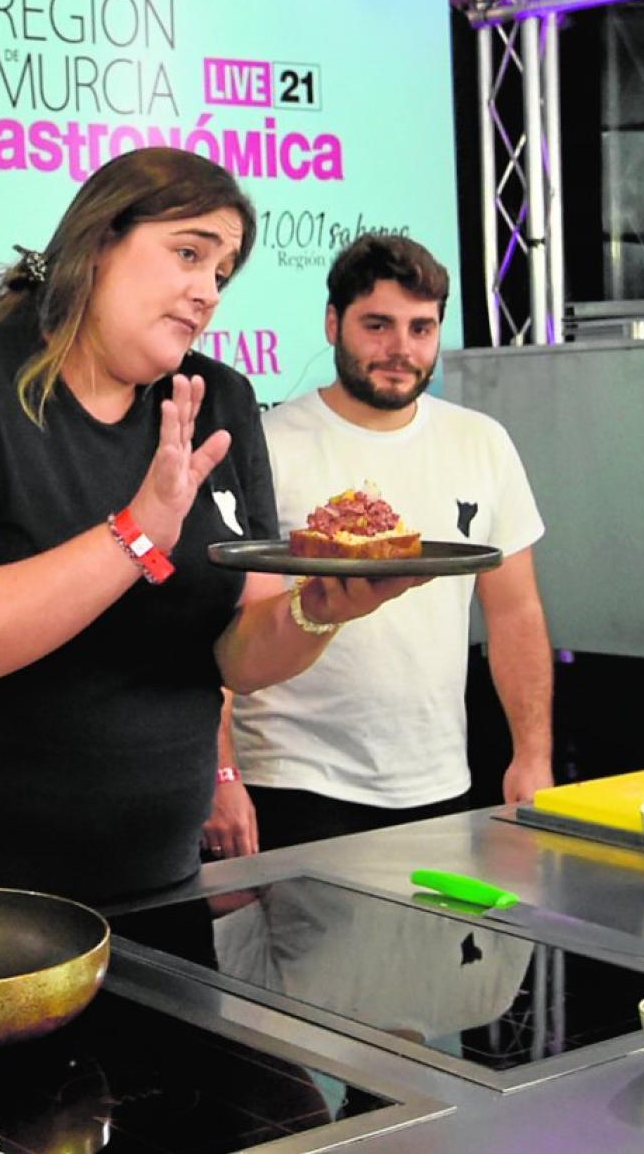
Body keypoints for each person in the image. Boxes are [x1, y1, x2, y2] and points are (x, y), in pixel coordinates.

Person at [0, 148, 419, 908]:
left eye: (221, 273)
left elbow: (239, 655)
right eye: (188, 254)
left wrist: (319, 610)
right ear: (98, 243)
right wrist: (135, 534)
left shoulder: (219, 400)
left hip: (153, 876)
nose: (206, 291)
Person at [205, 233, 554, 857]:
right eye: (378, 325)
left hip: (441, 779)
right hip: (291, 781)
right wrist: (222, 776)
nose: (401, 349)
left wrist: (532, 754)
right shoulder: (267, 443)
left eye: (421, 328)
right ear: (333, 323)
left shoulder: (482, 442)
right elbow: (219, 632)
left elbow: (516, 615)